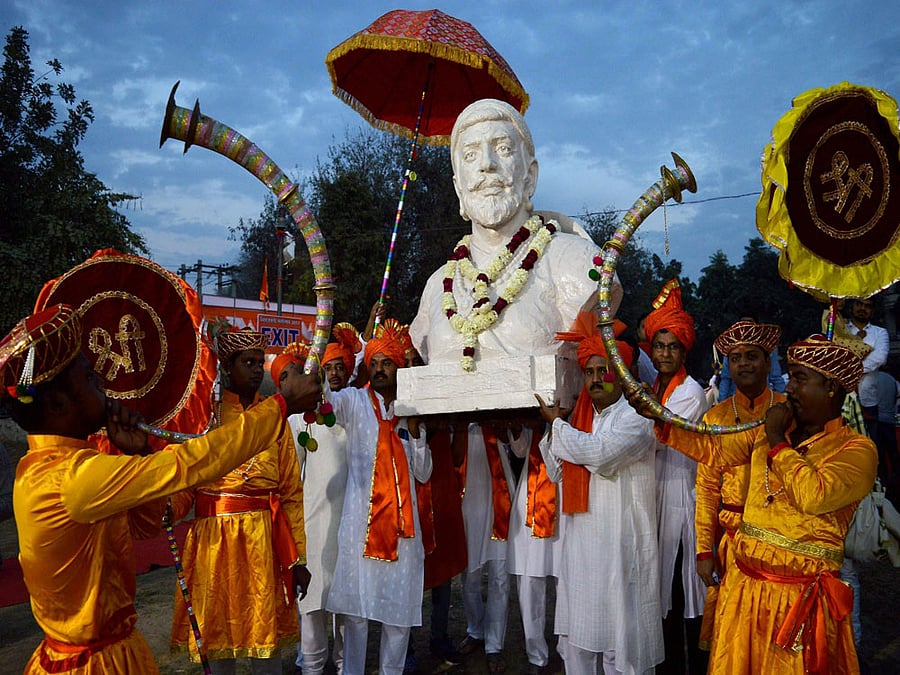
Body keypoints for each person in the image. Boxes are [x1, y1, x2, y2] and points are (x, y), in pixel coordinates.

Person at [2, 304, 320, 674]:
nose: (103, 385)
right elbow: (191, 464)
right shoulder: (71, 479)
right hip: (90, 664)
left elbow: (145, 525)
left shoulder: (64, 466)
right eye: (89, 378)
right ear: (59, 403)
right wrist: (283, 405)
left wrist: (138, 453)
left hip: (118, 648)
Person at [628, 334, 877, 673]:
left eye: (799, 379)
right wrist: (658, 417)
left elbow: (814, 495)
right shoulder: (771, 429)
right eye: (791, 378)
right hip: (744, 590)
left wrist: (776, 440)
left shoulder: (856, 449)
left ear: (831, 387)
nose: (789, 388)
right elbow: (713, 451)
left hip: (798, 601)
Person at [410, 97, 622, 366]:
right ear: (458, 187)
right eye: (471, 155)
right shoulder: (437, 286)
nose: (487, 164)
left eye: (503, 148)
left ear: (530, 176)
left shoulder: (576, 262)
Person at [170, 325, 311, 674]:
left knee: (266, 647)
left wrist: (298, 560)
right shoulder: (207, 417)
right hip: (214, 542)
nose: (256, 370)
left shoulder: (275, 417)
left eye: (259, 362)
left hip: (264, 542)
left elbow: (291, 493)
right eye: (248, 362)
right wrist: (168, 508)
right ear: (227, 367)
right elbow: (186, 478)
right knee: (219, 641)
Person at [536, 313, 663, 674]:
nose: (595, 378)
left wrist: (557, 426)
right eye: (589, 372)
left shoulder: (638, 416)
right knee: (579, 639)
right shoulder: (581, 419)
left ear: (620, 374)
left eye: (603, 371)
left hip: (621, 546)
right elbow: (556, 471)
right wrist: (560, 427)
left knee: (622, 643)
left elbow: (601, 454)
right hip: (582, 547)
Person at [324, 319, 432, 675]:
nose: (380, 369)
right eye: (374, 363)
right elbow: (325, 400)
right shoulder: (354, 402)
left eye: (387, 362)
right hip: (360, 527)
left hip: (402, 532)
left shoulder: (412, 409)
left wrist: (416, 435)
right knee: (355, 616)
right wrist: (326, 335)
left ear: (399, 367)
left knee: (398, 618)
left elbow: (423, 473)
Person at [693, 320, 786, 650]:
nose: (744, 364)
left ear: (768, 363)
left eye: (751, 356)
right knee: (734, 636)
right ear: (728, 367)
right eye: (736, 358)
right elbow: (707, 489)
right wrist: (704, 550)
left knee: (774, 634)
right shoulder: (715, 417)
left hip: (779, 543)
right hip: (732, 545)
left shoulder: (789, 411)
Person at [281, 328, 359, 675]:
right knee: (312, 605)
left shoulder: (356, 412)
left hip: (350, 525)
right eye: (328, 368)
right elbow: (291, 479)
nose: (334, 374)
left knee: (347, 607)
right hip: (313, 527)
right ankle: (311, 666)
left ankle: (345, 666)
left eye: (340, 367)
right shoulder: (300, 421)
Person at [643, 278, 709, 674]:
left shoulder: (691, 393)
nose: (665, 353)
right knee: (664, 594)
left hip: (682, 500)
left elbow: (655, 437)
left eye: (672, 347)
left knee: (685, 594)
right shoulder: (656, 385)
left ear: (684, 351)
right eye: (659, 346)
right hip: (657, 496)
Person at [504, 417, 563, 675]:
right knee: (529, 586)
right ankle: (536, 656)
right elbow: (519, 449)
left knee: (567, 584)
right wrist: (520, 425)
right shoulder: (534, 422)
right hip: (530, 505)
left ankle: (569, 651)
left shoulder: (582, 416)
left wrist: (557, 421)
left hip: (566, 505)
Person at [845, 297, 889, 435]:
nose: (862, 309)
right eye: (859, 304)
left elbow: (879, 358)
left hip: (868, 400)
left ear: (872, 311)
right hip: (843, 398)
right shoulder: (841, 330)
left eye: (867, 306)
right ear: (852, 306)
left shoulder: (880, 332)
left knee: (870, 441)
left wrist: (850, 369)